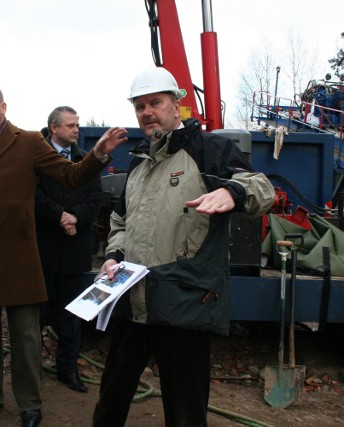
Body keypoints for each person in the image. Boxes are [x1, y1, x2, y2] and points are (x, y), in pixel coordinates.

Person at [91, 67, 276, 427]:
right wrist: (114, 255)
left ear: (177, 105)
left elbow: (260, 186)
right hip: (133, 301)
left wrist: (232, 191)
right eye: (140, 106)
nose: (147, 112)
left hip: (183, 303)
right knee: (111, 397)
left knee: (185, 411)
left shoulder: (208, 150)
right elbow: (121, 221)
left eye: (155, 103)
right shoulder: (139, 163)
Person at [0, 84, 126, 427]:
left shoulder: (29, 143)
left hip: (19, 259)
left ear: (3, 106)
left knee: (26, 335)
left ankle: (30, 405)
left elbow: (70, 176)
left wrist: (98, 154)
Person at [36, 106, 103, 393]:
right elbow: (31, 196)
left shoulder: (84, 161)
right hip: (42, 252)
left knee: (72, 316)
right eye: (71, 125)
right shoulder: (36, 159)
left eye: (77, 125)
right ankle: (31, 370)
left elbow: (96, 198)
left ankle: (67, 369)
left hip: (74, 253)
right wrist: (60, 217)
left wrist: (75, 216)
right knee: (35, 316)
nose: (77, 130)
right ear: (54, 127)